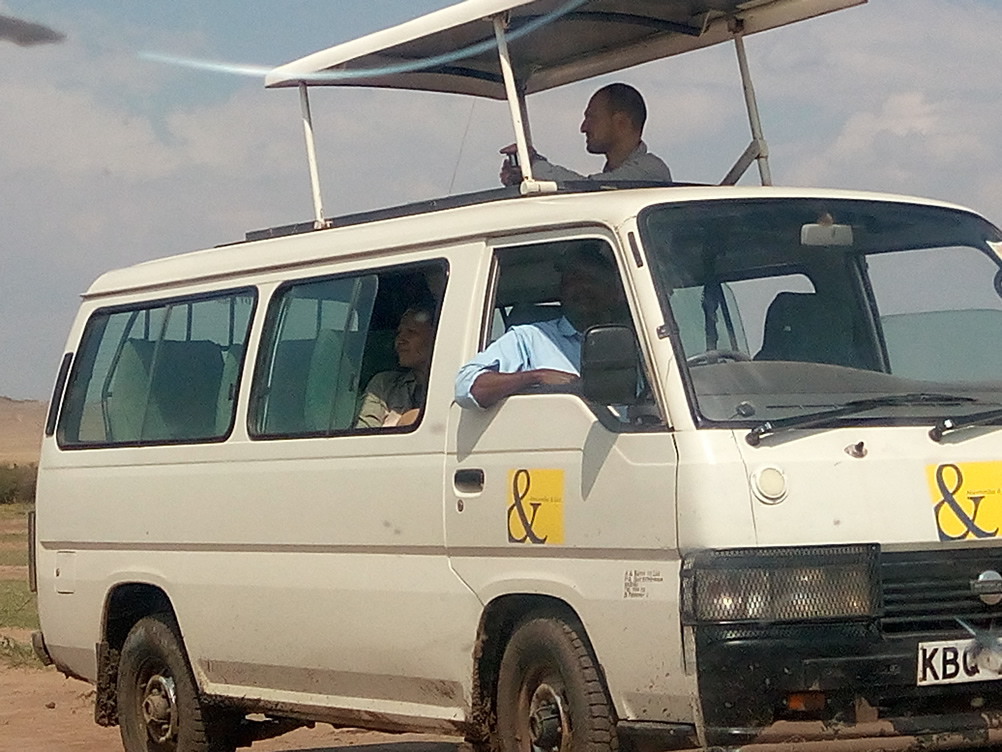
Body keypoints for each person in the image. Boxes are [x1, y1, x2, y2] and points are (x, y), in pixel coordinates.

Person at [455, 244, 626, 410]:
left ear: (615, 292)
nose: (582, 287)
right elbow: (467, 385)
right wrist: (536, 376)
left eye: (592, 279)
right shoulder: (530, 338)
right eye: (573, 280)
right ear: (561, 291)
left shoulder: (638, 341)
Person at [499, 83, 671, 187]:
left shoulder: (651, 171)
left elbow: (587, 189)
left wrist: (533, 164)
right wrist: (523, 180)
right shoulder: (618, 177)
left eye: (591, 118)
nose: (583, 127)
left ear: (621, 123)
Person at [356, 303, 436, 428]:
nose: (400, 339)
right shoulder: (385, 385)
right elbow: (362, 435)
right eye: (399, 332)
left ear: (435, 337)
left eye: (411, 332)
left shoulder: (456, 387)